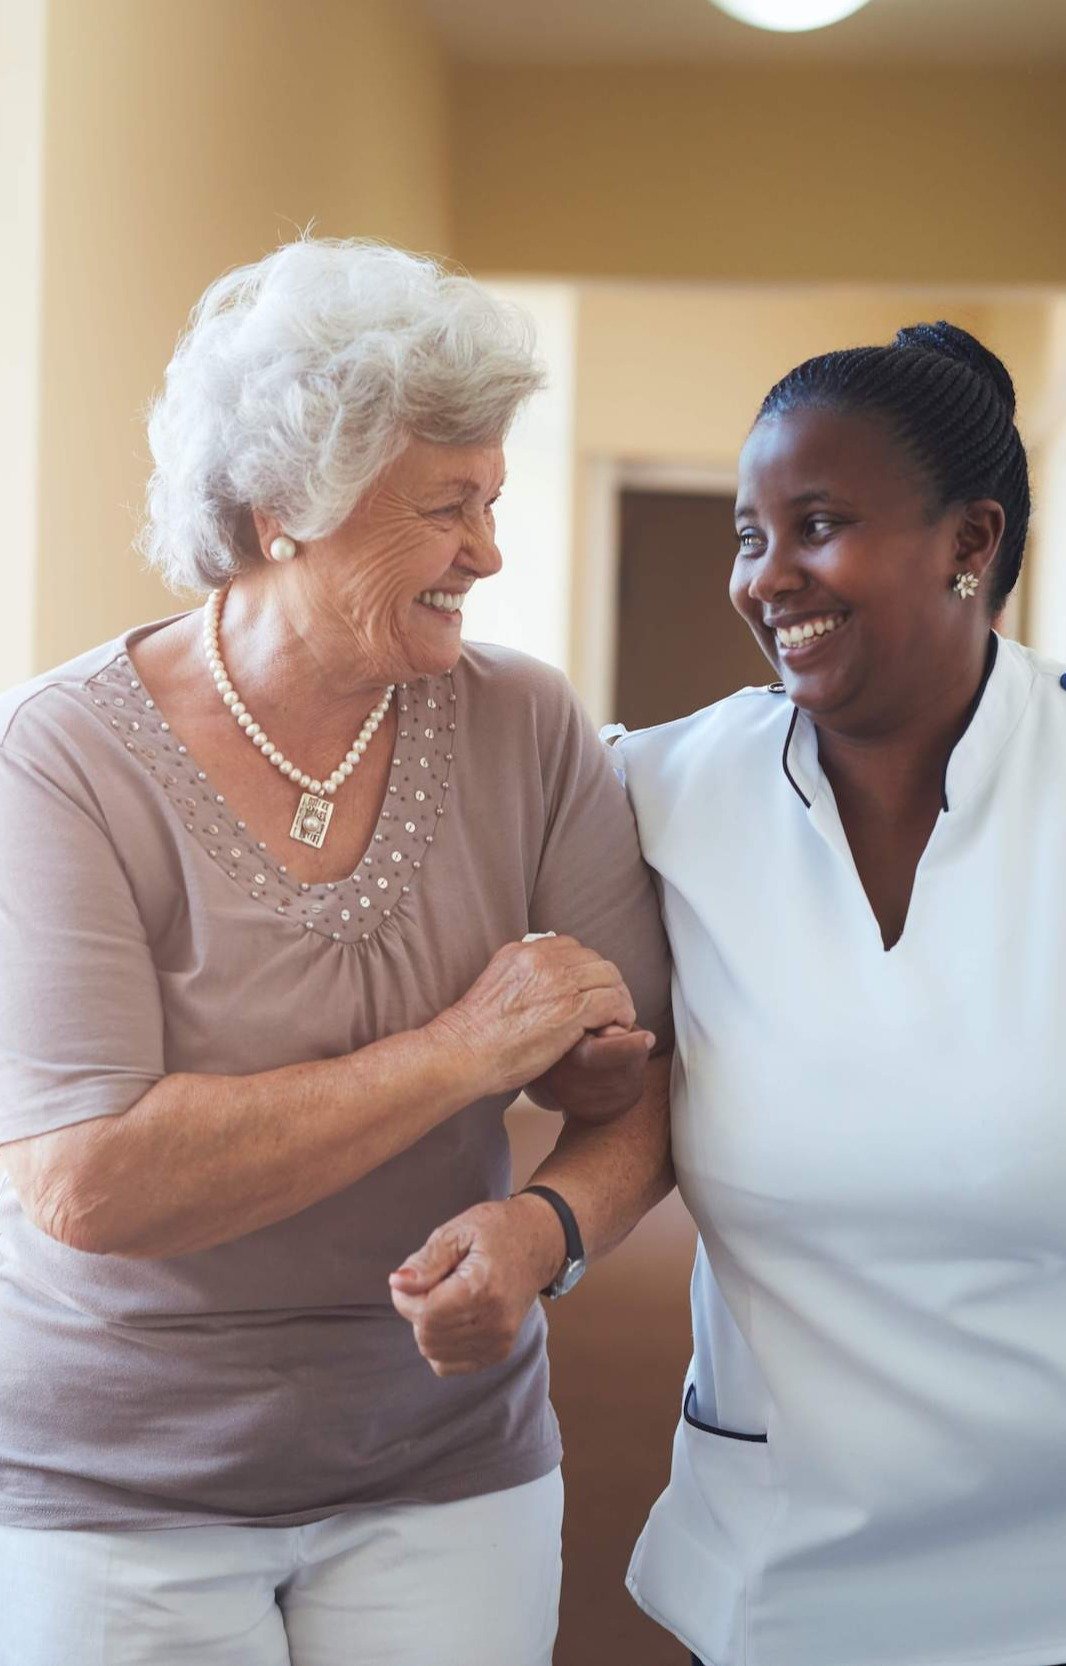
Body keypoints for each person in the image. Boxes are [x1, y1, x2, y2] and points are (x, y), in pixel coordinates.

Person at [0, 237, 672, 1666]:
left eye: (491, 498)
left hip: (444, 1464)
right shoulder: (54, 761)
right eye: (446, 506)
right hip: (109, 1495)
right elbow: (89, 1179)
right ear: (282, 507)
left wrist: (542, 1230)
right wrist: (466, 1051)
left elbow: (644, 1089)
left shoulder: (527, 727)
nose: (488, 551)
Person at [608, 322, 1066, 1666]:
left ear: (969, 541)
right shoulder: (657, 792)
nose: (764, 577)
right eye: (748, 534)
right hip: (784, 1578)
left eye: (817, 524)